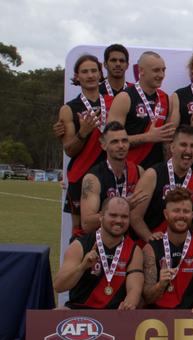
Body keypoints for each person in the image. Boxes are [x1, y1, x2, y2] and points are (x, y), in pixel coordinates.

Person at [56, 55, 113, 236]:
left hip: (109, 172)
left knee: (111, 224)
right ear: (77, 77)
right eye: (85, 72)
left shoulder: (114, 102)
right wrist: (83, 132)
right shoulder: (68, 108)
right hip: (80, 174)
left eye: (93, 71)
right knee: (80, 230)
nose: (90, 75)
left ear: (100, 74)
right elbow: (70, 149)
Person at [54, 196, 143, 310]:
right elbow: (59, 286)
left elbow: (134, 288)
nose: (119, 220)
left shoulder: (134, 250)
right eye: (113, 215)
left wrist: (129, 303)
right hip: (80, 313)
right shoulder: (79, 245)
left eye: (124, 217)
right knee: (57, 313)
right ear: (101, 216)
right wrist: (82, 267)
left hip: (115, 314)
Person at [130, 125, 193, 243]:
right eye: (183, 145)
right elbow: (135, 216)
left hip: (180, 248)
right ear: (172, 147)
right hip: (151, 246)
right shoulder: (153, 175)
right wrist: (149, 238)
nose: (188, 151)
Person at [108, 51, 173, 169]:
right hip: (128, 171)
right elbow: (111, 139)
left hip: (156, 172)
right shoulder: (125, 98)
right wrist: (147, 137)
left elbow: (166, 140)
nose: (161, 75)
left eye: (163, 70)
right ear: (141, 71)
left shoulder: (166, 99)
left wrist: (168, 170)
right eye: (156, 70)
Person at [80, 122, 146, 235]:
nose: (121, 145)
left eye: (124, 141)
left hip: (129, 238)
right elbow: (87, 224)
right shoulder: (93, 178)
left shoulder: (138, 171)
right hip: (101, 240)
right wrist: (124, 206)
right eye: (114, 142)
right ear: (104, 145)